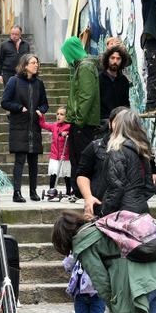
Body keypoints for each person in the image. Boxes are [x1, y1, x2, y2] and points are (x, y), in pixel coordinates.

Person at [1, 53, 49, 203]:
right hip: (19, 126)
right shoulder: (13, 81)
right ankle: (16, 193)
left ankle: (33, 192)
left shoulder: (39, 83)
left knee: (34, 161)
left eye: (37, 62)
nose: (36, 65)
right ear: (25, 65)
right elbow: (4, 102)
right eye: (33, 62)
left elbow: (45, 103)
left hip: (34, 127)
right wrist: (18, 107)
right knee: (19, 160)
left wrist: (41, 110)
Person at [61, 36, 101, 197]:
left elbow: (86, 95)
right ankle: (78, 190)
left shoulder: (85, 67)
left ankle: (79, 191)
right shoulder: (84, 66)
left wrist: (79, 119)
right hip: (82, 121)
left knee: (80, 158)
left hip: (83, 123)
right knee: (78, 157)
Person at [100, 110, 156, 216]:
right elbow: (149, 187)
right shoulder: (142, 150)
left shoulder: (117, 151)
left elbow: (116, 188)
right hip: (141, 208)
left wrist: (105, 211)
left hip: (123, 212)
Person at [77, 107, 128, 220]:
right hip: (100, 205)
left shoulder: (137, 148)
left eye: (124, 122)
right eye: (116, 122)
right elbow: (82, 174)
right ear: (110, 124)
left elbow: (153, 176)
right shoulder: (95, 146)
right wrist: (88, 197)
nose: (120, 125)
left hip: (128, 209)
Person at [38, 106, 72, 200]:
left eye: (61, 114)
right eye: (57, 114)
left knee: (66, 175)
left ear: (66, 116)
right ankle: (51, 190)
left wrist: (67, 133)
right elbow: (43, 124)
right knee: (53, 173)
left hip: (65, 156)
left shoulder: (69, 126)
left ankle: (69, 191)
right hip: (54, 155)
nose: (59, 116)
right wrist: (41, 116)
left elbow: (72, 132)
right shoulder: (54, 126)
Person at [99, 44, 132, 120]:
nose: (115, 61)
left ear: (122, 61)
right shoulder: (99, 78)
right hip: (102, 120)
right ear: (107, 59)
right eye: (112, 58)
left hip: (118, 120)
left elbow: (125, 102)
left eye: (118, 59)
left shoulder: (124, 81)